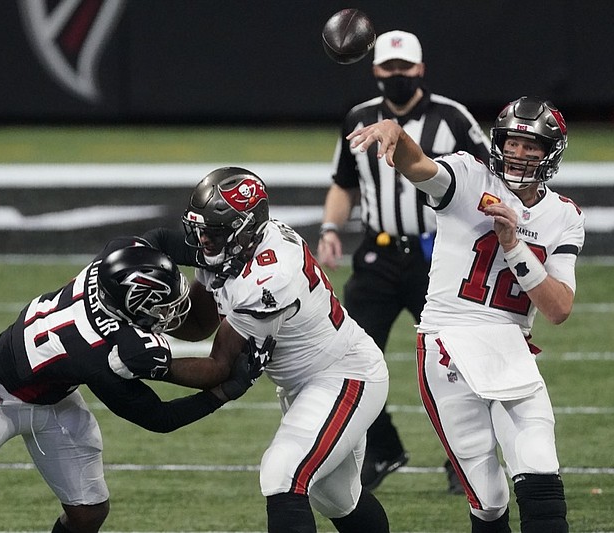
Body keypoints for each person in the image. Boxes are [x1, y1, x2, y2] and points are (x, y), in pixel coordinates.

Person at [0, 238, 273, 533]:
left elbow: (156, 237)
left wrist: (212, 259)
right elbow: (156, 418)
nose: (169, 312)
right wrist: (225, 391)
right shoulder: (106, 352)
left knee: (88, 513)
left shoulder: (109, 265)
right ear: (132, 305)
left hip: (54, 395)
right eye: (158, 304)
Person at [347, 96, 583, 533]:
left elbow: (558, 308)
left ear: (551, 152)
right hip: (448, 343)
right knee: (489, 500)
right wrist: (398, 138)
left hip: (511, 346)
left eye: (532, 146)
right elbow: (421, 167)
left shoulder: (563, 216)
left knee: (541, 473)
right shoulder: (472, 177)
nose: (519, 153)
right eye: (512, 142)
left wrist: (513, 245)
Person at [144, 167, 391, 533]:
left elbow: (219, 368)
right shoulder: (234, 247)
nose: (202, 242)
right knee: (338, 498)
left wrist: (147, 361)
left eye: (212, 232)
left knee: (283, 474)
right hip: (307, 383)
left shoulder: (270, 277)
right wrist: (147, 311)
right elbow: (198, 324)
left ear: (244, 229)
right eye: (200, 230)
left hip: (344, 374)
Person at [317, 29, 490, 494]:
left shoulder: (451, 117)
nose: (396, 75)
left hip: (439, 255)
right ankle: (383, 447)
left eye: (404, 67)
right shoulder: (359, 117)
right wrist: (331, 229)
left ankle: (464, 458)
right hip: (377, 255)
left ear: (420, 68)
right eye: (388, 68)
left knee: (456, 361)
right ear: (375, 70)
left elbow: (486, 178)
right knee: (347, 355)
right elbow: (343, 182)